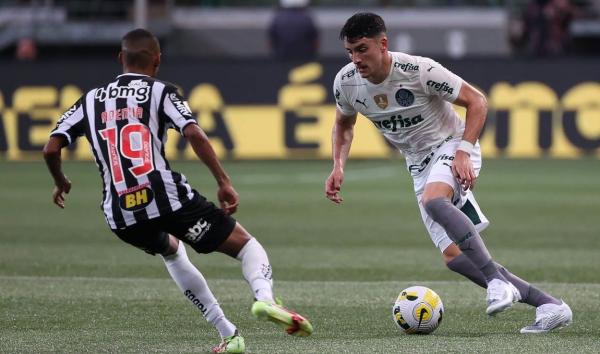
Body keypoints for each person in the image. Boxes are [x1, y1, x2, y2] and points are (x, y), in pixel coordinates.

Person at [43, 28, 313, 354]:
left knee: (172, 253)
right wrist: (223, 181)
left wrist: (60, 181)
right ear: (157, 60)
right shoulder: (162, 91)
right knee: (245, 246)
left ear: (120, 59)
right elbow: (194, 134)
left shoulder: (88, 100)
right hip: (163, 195)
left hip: (119, 211)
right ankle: (265, 300)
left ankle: (229, 334)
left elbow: (51, 147)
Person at [325, 13, 572, 334]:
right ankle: (551, 307)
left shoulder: (418, 70)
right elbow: (343, 125)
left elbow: (477, 101)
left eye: (362, 49)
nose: (356, 59)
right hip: (417, 163)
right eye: (350, 52)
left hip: (452, 146)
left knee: (433, 200)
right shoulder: (346, 83)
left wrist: (464, 152)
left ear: (383, 44)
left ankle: (498, 282)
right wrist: (338, 165)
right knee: (455, 257)